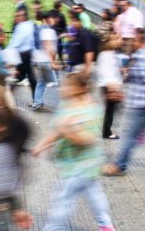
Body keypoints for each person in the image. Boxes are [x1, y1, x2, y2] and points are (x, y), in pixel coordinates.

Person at [32, 71, 116, 231]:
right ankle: (106, 225)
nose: (61, 89)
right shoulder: (65, 106)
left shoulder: (91, 110)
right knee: (95, 194)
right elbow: (56, 131)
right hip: (86, 166)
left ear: (80, 89)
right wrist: (42, 144)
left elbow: (88, 139)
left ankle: (53, 228)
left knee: (63, 200)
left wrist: (69, 130)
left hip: (76, 166)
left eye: (66, 87)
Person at [103, 29, 145, 176]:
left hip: (144, 106)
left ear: (139, 40)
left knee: (130, 136)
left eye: (133, 40)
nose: (130, 42)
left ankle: (120, 166)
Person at [97, 35, 124, 140]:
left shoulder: (111, 53)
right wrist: (111, 87)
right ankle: (106, 132)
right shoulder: (106, 54)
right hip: (108, 85)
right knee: (110, 109)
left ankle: (107, 129)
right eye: (116, 39)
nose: (119, 41)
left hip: (111, 85)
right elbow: (104, 72)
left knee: (112, 108)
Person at [31, 11, 58, 111]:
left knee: (41, 81)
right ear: (47, 19)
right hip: (46, 60)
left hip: (40, 59)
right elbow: (48, 46)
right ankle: (39, 103)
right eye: (52, 18)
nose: (54, 20)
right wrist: (52, 62)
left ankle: (37, 103)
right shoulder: (47, 30)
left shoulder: (42, 29)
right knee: (55, 82)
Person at [7, 10, 36, 99]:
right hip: (28, 54)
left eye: (18, 16)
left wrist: (8, 55)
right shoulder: (31, 25)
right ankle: (36, 99)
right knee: (30, 77)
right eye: (16, 16)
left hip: (22, 55)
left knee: (17, 77)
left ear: (23, 17)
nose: (16, 18)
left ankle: (6, 98)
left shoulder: (21, 26)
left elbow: (15, 42)